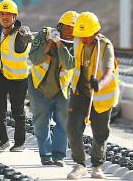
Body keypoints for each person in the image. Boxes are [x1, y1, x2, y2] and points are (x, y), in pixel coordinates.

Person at [66, 12, 119, 180]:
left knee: (100, 133)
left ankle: (96, 165)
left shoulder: (105, 46)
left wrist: (100, 83)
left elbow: (109, 71)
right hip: (79, 93)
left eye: (86, 36)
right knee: (73, 129)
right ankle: (79, 165)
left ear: (95, 33)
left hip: (100, 98)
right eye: (80, 35)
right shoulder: (77, 41)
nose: (82, 39)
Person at [28, 10, 77, 166]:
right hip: (39, 86)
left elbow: (69, 64)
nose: (70, 32)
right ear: (60, 26)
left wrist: (60, 45)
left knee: (64, 121)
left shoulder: (78, 44)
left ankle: (58, 156)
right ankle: (46, 154)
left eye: (73, 29)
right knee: (41, 121)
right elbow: (35, 59)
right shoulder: (44, 34)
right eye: (67, 28)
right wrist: (49, 42)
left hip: (62, 88)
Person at [0, 0, 33, 152]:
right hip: (1, 75)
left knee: (18, 112)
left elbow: (25, 40)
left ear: (15, 17)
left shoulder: (20, 35)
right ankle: (4, 141)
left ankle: (19, 143)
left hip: (18, 79)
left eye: (9, 15)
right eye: (2, 14)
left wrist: (26, 36)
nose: (5, 17)